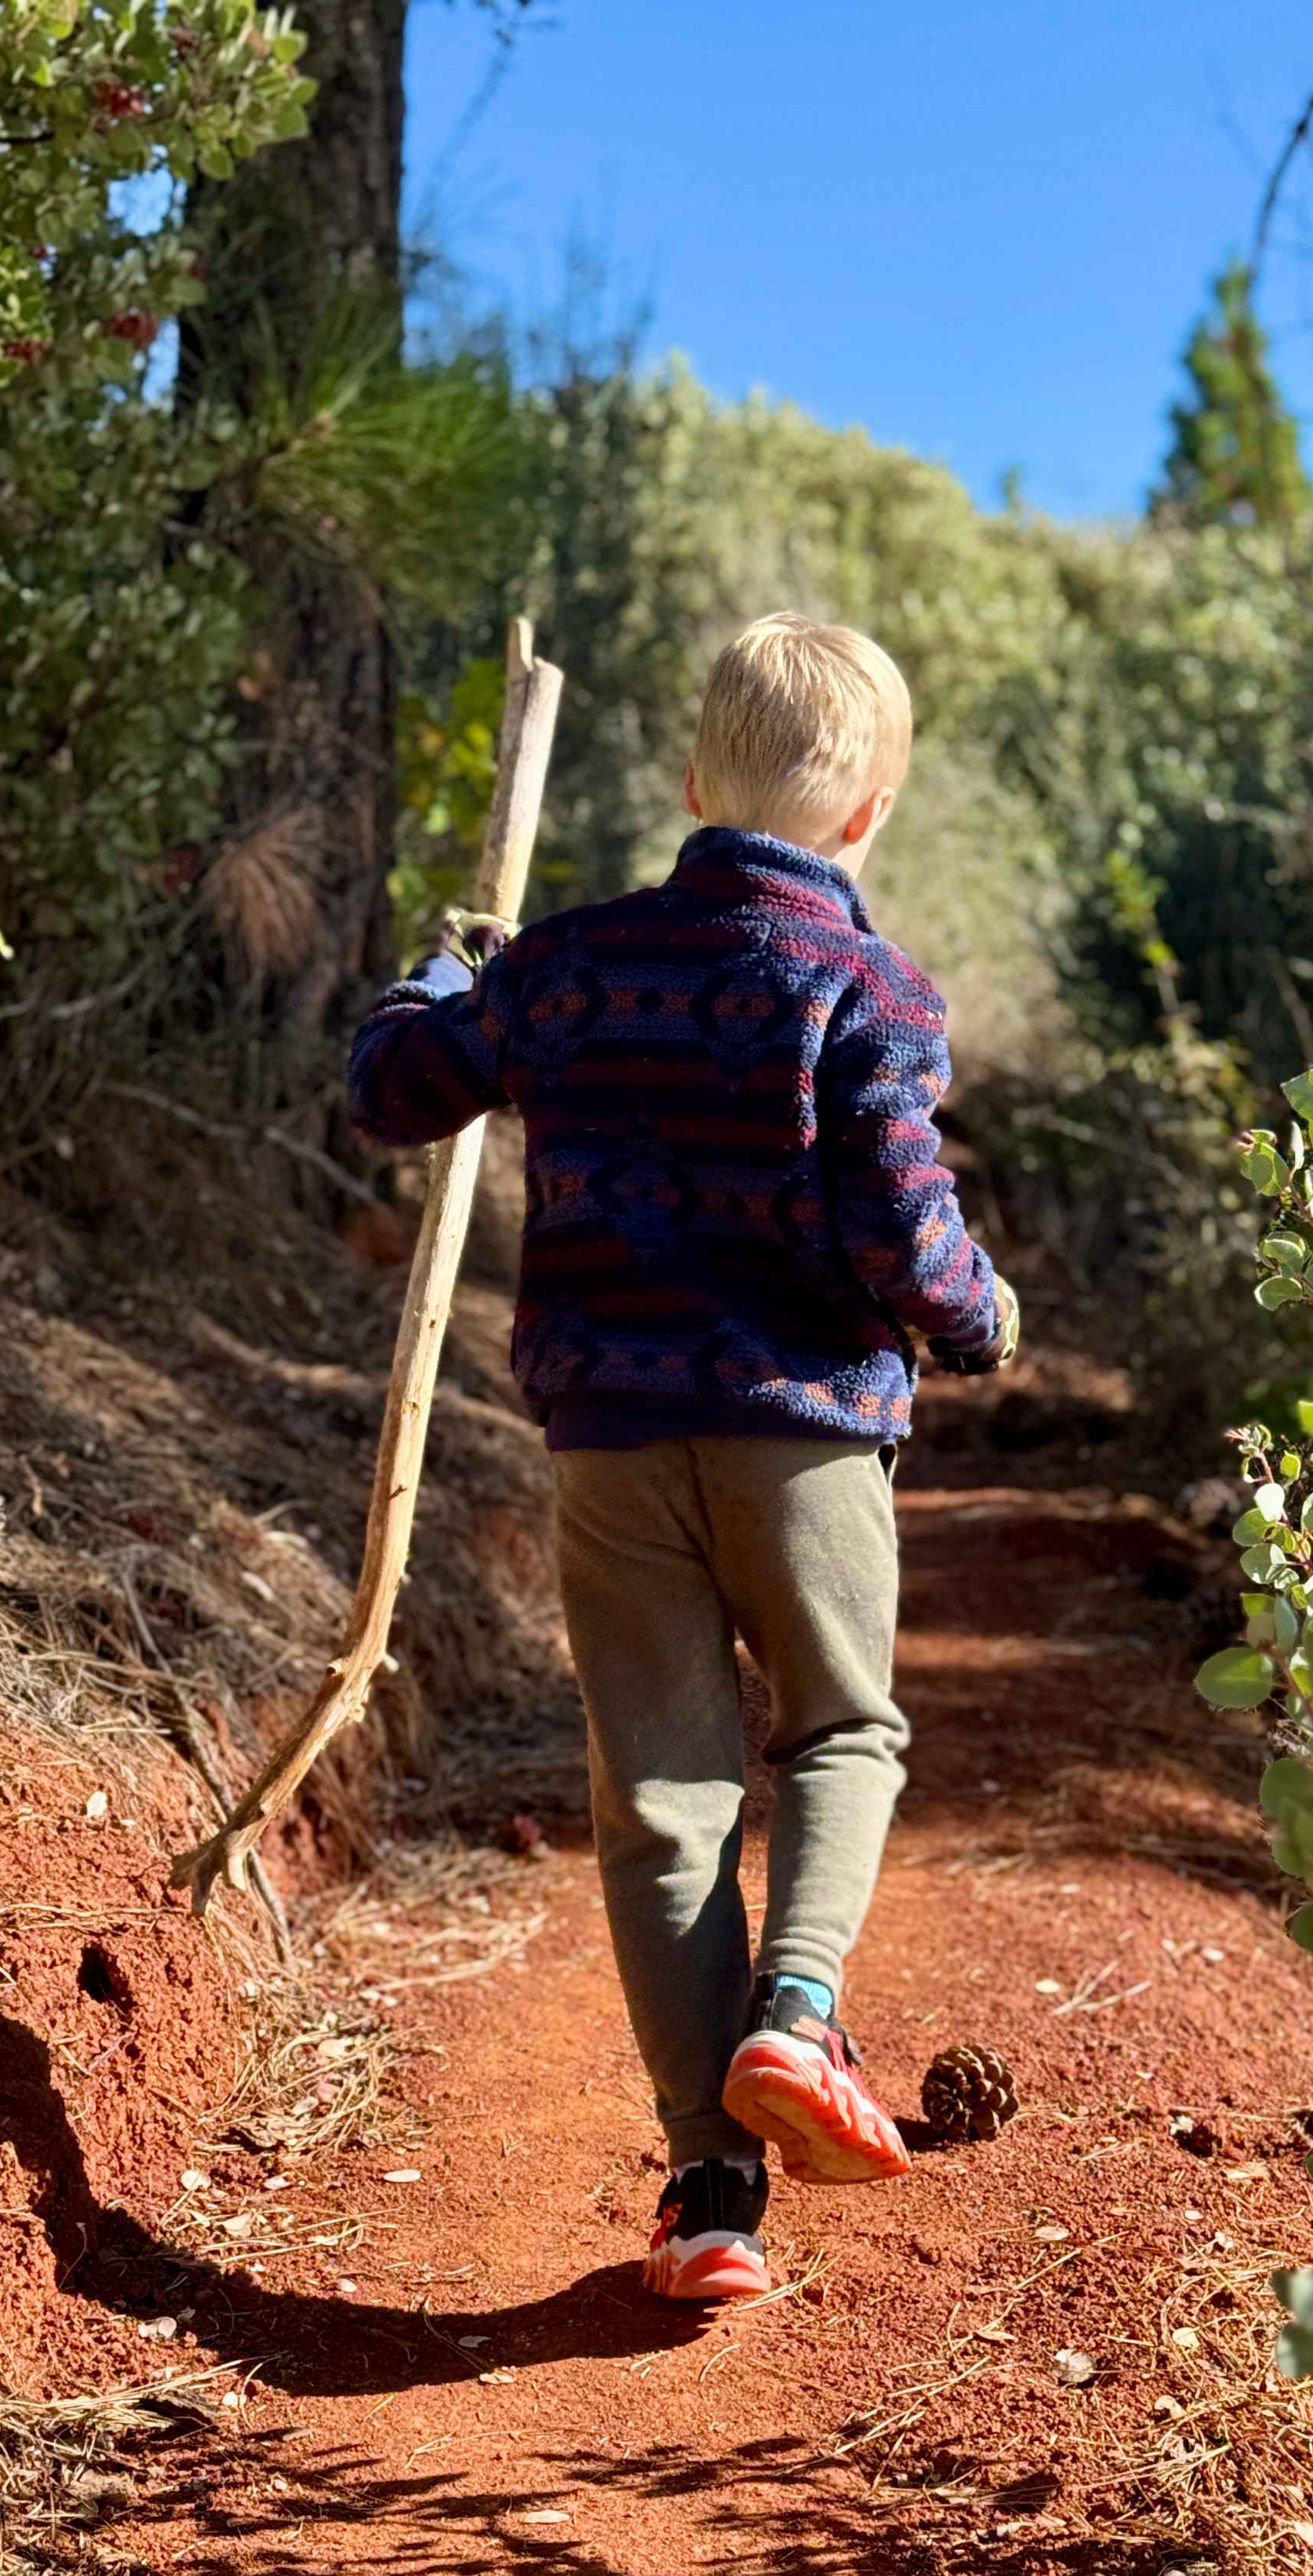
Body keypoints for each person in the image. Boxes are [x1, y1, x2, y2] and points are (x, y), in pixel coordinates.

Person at [346, 611, 1019, 2301]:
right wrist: (982, 1316)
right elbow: (902, 1229)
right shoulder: (870, 991)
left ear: (689, 775)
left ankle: (709, 2192)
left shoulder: (567, 966)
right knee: (846, 1726)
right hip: (805, 1443)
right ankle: (800, 2017)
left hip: (613, 1440)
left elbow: (397, 1085)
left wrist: (454, 973)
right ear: (865, 815)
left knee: (662, 1805)